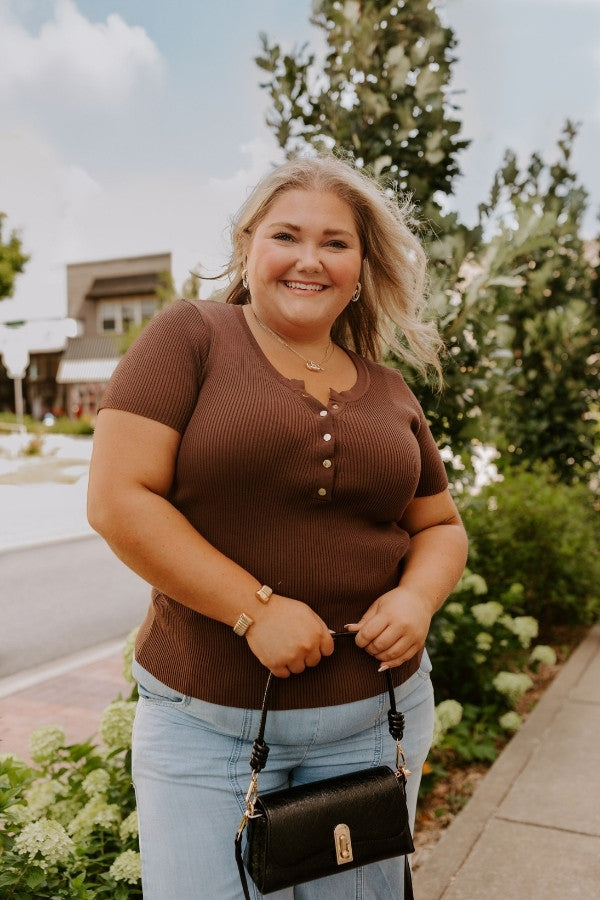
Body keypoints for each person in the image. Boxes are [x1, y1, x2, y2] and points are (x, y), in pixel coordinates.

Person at [87, 154, 468, 899]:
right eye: (286, 235)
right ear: (247, 245)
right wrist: (253, 610)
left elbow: (440, 526)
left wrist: (416, 599)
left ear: (361, 268)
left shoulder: (389, 389)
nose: (309, 259)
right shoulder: (191, 337)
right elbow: (118, 500)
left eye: (336, 243)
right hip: (206, 729)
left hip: (377, 724)